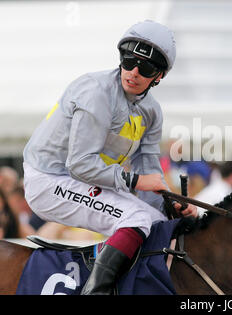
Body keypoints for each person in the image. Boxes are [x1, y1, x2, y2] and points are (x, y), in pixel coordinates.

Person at [22, 20, 198, 295]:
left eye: (147, 68)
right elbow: (80, 164)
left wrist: (169, 206)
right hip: (49, 180)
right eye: (129, 61)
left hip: (81, 181)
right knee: (136, 219)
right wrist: (136, 180)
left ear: (159, 77)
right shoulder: (96, 93)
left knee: (157, 223)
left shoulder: (151, 111)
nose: (134, 72)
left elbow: (150, 172)